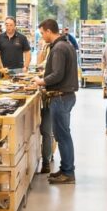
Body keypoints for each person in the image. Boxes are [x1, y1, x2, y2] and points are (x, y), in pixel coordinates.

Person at [34, 19, 78, 184]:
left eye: (42, 33)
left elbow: (57, 74)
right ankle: (65, 169)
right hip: (65, 96)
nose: (42, 36)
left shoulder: (59, 48)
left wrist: (41, 81)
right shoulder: (66, 45)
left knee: (63, 135)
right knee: (62, 134)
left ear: (48, 31)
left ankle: (68, 173)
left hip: (60, 97)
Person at [35, 39, 53, 174]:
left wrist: (40, 81)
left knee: (46, 130)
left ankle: (46, 162)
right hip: (46, 96)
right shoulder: (48, 54)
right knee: (47, 130)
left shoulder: (54, 55)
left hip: (49, 98)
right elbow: (39, 65)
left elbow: (46, 71)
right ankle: (46, 158)